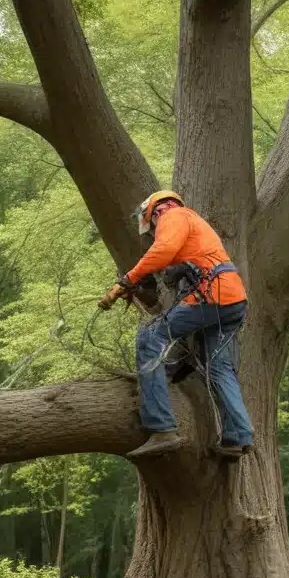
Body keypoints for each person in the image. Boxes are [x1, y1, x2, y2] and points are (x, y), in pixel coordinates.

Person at [99, 190, 254, 460]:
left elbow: (163, 250)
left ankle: (161, 428)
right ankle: (237, 436)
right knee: (218, 367)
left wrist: (127, 280)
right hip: (232, 299)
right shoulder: (193, 224)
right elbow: (173, 260)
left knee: (150, 339)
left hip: (211, 296)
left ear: (154, 212)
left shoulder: (173, 215)